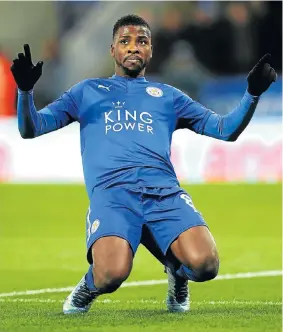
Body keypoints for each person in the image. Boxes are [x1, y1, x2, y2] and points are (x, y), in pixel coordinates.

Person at [10, 14, 277, 315]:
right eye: (125, 41)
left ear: (150, 51)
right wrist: (25, 92)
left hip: (163, 193)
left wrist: (252, 94)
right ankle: (89, 286)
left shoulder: (168, 96)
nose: (133, 47)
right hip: (114, 195)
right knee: (111, 274)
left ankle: (177, 272)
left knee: (205, 265)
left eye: (142, 42)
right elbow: (31, 128)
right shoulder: (86, 92)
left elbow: (225, 129)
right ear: (112, 50)